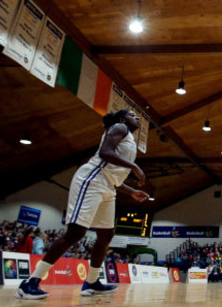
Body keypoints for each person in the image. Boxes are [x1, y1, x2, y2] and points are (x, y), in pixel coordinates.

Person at [16, 110, 149, 300]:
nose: (136, 117)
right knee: (76, 232)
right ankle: (29, 283)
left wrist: (131, 192)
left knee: (106, 234)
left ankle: (92, 282)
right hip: (91, 180)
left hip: (108, 187)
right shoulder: (119, 127)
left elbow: (112, 175)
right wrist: (134, 167)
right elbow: (104, 153)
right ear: (122, 119)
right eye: (131, 114)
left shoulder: (130, 141)